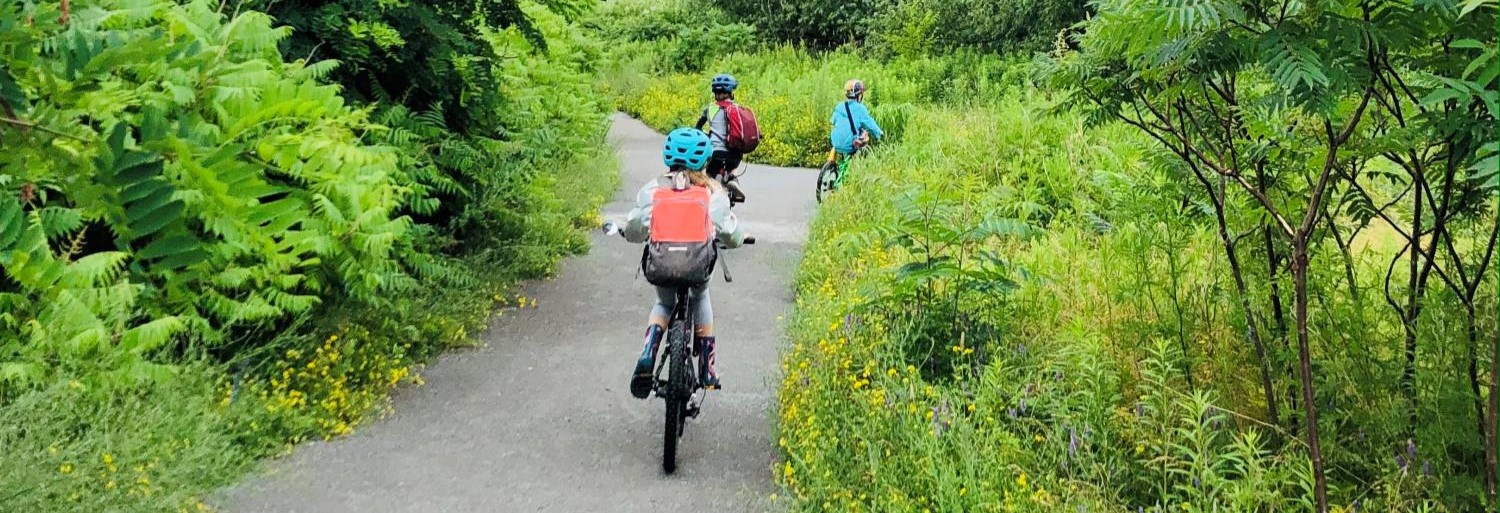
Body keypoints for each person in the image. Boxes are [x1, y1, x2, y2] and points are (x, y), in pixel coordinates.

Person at [622, 128, 748, 398]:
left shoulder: (652, 189)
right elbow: (730, 233)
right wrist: (738, 239)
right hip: (696, 265)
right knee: (700, 297)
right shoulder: (712, 191)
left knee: (664, 303)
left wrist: (630, 233)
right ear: (705, 160)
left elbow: (635, 227)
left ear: (667, 157)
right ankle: (708, 367)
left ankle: (648, 351)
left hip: (662, 263)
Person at [695, 73, 748, 203]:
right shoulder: (737, 109)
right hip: (733, 154)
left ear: (715, 93)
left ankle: (708, 189)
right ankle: (732, 178)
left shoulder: (709, 109)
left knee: (709, 174)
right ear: (731, 93)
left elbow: (698, 127)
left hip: (714, 152)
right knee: (733, 164)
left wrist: (702, 133)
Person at [829, 79, 883, 159]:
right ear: (858, 95)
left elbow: (833, 121)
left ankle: (831, 161)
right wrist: (880, 134)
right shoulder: (860, 108)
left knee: (841, 134)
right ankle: (858, 159)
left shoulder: (839, 106)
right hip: (849, 146)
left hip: (834, 142)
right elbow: (871, 125)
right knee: (864, 134)